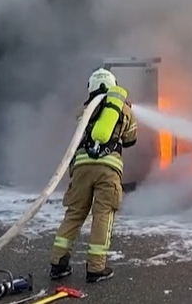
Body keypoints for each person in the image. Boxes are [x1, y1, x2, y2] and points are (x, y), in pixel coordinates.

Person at [49, 68, 137, 283]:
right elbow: (130, 139)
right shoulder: (122, 109)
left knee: (75, 213)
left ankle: (58, 263)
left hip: (81, 168)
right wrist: (124, 113)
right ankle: (96, 268)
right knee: (103, 215)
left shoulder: (83, 110)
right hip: (108, 170)